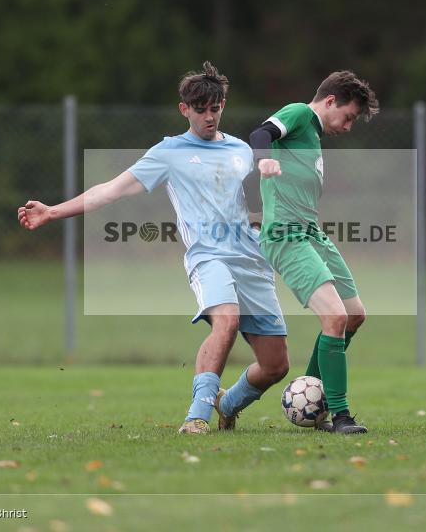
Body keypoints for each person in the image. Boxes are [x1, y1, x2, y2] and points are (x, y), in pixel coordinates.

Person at [18, 62, 289, 434]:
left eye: (216, 108)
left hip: (252, 260)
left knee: (276, 366)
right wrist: (53, 212)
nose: (209, 117)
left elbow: (257, 202)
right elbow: (109, 190)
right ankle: (197, 416)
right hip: (208, 258)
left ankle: (228, 403)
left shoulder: (242, 150)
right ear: (184, 109)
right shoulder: (169, 152)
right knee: (225, 322)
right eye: (200, 110)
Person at [244, 70, 379, 434]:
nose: (349, 126)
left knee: (353, 315)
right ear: (331, 101)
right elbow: (261, 133)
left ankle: (310, 391)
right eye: (348, 116)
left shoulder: (313, 136)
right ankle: (341, 416)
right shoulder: (301, 114)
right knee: (334, 318)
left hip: (313, 233)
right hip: (286, 236)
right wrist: (263, 159)